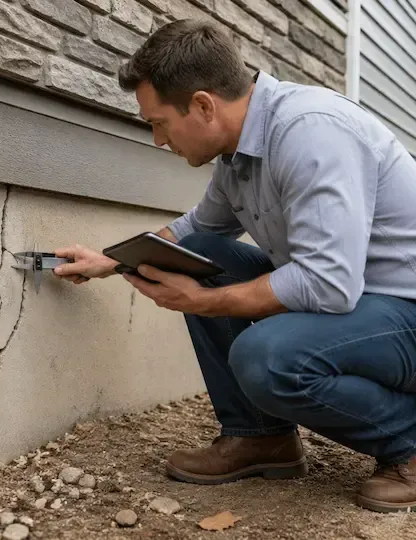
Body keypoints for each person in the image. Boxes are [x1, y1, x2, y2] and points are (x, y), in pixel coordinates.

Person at [53, 19, 416, 513]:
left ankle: (409, 444)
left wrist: (204, 302)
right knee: (206, 252)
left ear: (203, 105)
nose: (159, 139)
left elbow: (328, 284)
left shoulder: (311, 132)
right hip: (363, 306)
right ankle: (261, 438)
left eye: (159, 122)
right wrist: (109, 261)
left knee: (266, 356)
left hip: (404, 312)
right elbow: (194, 231)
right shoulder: (238, 156)